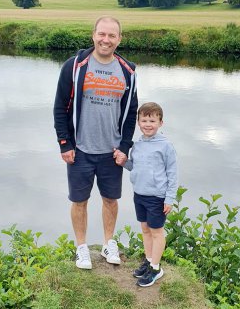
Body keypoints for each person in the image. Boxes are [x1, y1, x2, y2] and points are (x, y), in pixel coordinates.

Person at [53, 16, 138, 270]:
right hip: (80, 150)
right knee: (79, 201)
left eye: (112, 35)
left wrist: (125, 146)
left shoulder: (128, 71)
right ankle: (81, 247)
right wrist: (64, 143)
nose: (106, 40)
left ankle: (108, 243)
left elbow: (131, 112)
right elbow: (60, 107)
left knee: (111, 199)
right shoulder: (75, 66)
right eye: (102, 34)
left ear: (119, 39)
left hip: (111, 152)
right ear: (93, 35)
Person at [115, 101, 177, 287]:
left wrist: (169, 198)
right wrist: (123, 162)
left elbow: (172, 173)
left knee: (157, 232)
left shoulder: (166, 146)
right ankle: (149, 261)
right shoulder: (138, 144)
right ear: (138, 122)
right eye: (144, 120)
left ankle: (156, 268)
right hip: (139, 194)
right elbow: (134, 166)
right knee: (145, 229)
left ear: (160, 123)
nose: (148, 124)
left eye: (152, 120)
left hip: (157, 196)